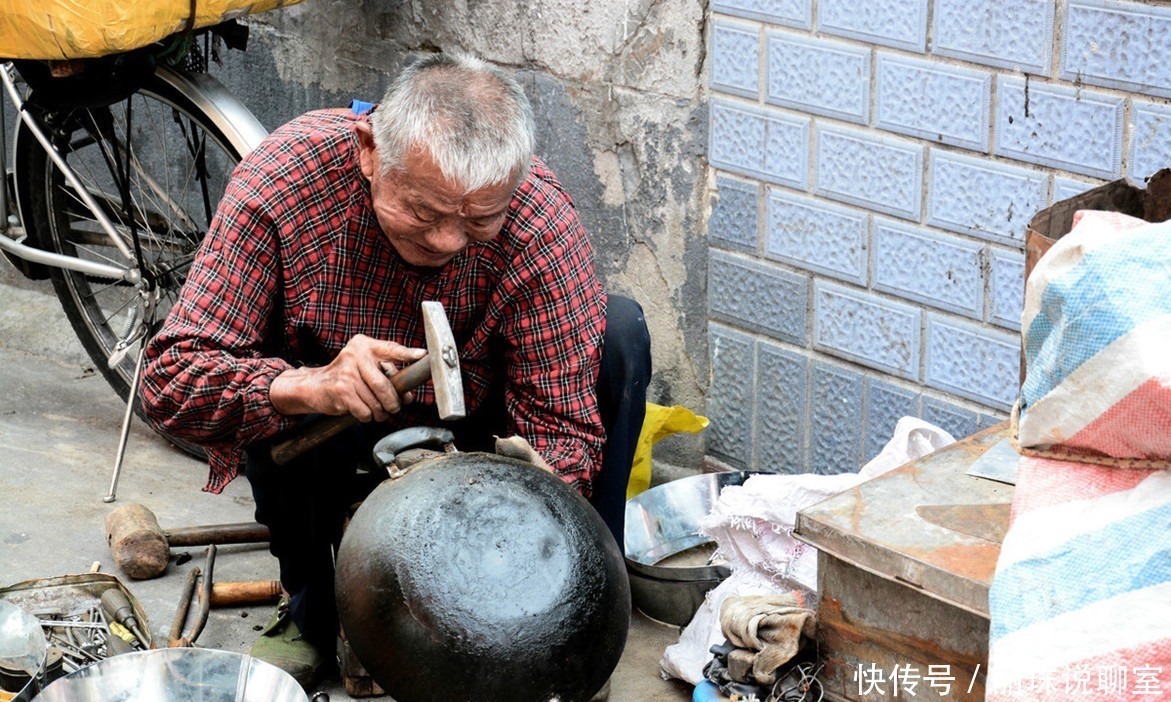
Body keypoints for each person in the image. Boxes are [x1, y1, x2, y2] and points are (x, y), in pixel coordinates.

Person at [139, 52, 651, 687]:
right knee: (272, 376)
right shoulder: (285, 180)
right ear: (368, 150)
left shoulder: (538, 220)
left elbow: (563, 431)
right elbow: (171, 378)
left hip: (481, 433)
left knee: (621, 333)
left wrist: (530, 486)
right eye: (424, 212)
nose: (447, 242)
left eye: (478, 220)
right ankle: (309, 605)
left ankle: (575, 609)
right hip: (335, 424)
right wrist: (307, 385)